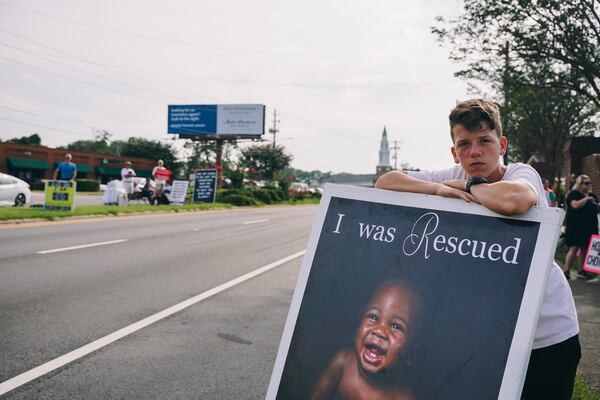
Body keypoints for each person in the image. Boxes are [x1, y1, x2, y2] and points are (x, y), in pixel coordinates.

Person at [375, 99, 580, 399]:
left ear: (502, 145)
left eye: (485, 141)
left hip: (546, 334)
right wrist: (438, 188)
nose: (474, 151)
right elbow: (385, 182)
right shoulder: (452, 175)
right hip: (490, 339)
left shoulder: (521, 174)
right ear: (454, 152)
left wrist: (469, 188)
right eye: (464, 144)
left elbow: (515, 200)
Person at [310, 281, 420, 400]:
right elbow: (317, 395)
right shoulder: (344, 362)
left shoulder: (402, 397)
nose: (379, 331)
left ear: (410, 355)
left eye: (395, 326)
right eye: (373, 317)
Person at [564, 175, 598, 280]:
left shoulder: (592, 195)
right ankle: (566, 271)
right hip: (575, 226)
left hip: (588, 226)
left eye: (590, 182)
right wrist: (586, 199)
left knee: (584, 248)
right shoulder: (573, 194)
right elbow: (575, 205)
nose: (589, 185)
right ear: (580, 184)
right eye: (586, 183)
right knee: (574, 248)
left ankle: (582, 271)